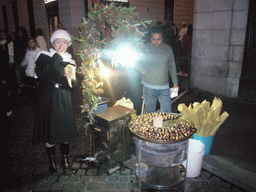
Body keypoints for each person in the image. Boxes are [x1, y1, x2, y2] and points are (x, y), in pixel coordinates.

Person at [33, 29, 78, 174]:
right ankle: (51, 160)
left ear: (68, 44)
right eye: (58, 41)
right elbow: (42, 74)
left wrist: (72, 79)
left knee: (64, 129)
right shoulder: (45, 56)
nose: (61, 45)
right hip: (48, 97)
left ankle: (64, 157)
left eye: (65, 42)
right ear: (53, 43)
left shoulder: (70, 60)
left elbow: (74, 86)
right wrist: (57, 57)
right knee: (50, 129)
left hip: (64, 97)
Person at [137, 27, 179, 113]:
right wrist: (141, 69)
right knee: (150, 113)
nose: (156, 42)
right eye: (153, 39)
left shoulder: (168, 49)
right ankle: (153, 126)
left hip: (164, 87)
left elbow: (172, 66)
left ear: (163, 38)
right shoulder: (145, 48)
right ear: (150, 38)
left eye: (159, 39)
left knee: (166, 112)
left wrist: (175, 83)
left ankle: (162, 126)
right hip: (149, 87)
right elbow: (133, 59)